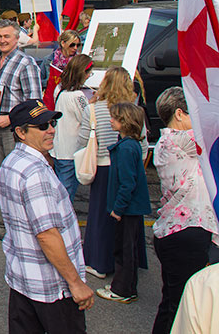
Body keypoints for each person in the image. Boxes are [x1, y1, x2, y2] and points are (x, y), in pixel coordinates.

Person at [0, 99, 93, 333]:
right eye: (42, 126)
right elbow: (47, 235)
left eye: (51, 123)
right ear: (20, 132)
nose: (51, 129)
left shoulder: (12, 162)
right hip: (51, 286)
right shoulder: (34, 173)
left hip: (23, 279)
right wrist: (75, 283)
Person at [150, 87, 218, 332]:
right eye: (195, 113)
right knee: (182, 308)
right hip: (187, 234)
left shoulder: (168, 141)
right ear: (179, 113)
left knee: (171, 303)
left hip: (175, 233)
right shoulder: (177, 139)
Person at [80, 66, 148, 279]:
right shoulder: (133, 110)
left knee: (100, 216)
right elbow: (143, 142)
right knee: (126, 219)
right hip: (127, 167)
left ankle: (100, 262)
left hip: (102, 166)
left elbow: (83, 138)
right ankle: (128, 264)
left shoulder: (94, 109)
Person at [0, 20, 43, 239]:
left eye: (6, 37)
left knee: (18, 178)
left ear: (17, 38)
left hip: (16, 131)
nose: (2, 40)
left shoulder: (26, 63)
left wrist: (10, 118)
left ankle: (21, 227)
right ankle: (12, 220)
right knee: (4, 176)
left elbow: (34, 103)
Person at [95, 102, 151, 304]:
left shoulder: (126, 148)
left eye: (115, 118)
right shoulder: (130, 144)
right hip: (131, 208)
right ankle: (128, 286)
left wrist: (118, 208)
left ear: (125, 122)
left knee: (124, 249)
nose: (111, 120)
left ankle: (122, 289)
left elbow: (127, 184)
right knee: (128, 248)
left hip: (127, 209)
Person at [50, 54, 93, 203]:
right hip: (71, 151)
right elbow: (87, 118)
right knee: (66, 194)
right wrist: (93, 103)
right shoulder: (78, 96)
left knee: (59, 188)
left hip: (57, 148)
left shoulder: (60, 88)